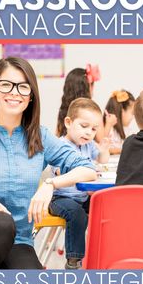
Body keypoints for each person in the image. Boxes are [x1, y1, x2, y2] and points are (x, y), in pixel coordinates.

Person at [0, 57, 97, 270]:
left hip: (18, 241)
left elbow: (88, 170)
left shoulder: (40, 137)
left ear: (30, 97)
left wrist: (50, 185)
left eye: (23, 87)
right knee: (1, 222)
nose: (15, 93)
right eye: (6, 85)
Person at [49, 98, 110, 269]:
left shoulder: (88, 145)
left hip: (83, 196)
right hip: (61, 198)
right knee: (77, 214)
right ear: (68, 122)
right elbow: (61, 173)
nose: (89, 132)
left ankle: (106, 253)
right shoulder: (60, 146)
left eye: (93, 129)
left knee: (107, 207)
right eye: (84, 126)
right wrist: (86, 172)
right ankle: (74, 261)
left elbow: (101, 160)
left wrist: (104, 151)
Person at [56, 64, 100, 137]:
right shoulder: (92, 112)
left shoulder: (63, 111)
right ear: (87, 88)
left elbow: (57, 135)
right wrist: (109, 123)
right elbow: (101, 139)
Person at [97, 90, 135, 154]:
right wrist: (108, 125)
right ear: (122, 111)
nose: (133, 117)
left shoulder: (128, 131)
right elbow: (102, 146)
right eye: (132, 113)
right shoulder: (108, 129)